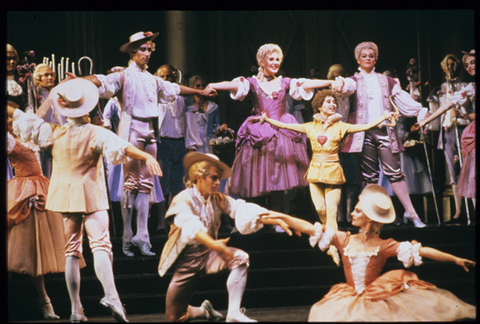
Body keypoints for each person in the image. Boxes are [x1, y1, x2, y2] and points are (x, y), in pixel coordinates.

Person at [8, 78, 164, 323]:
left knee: (72, 250)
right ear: (87, 108)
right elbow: (124, 147)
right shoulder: (94, 132)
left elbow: (17, 114)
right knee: (100, 245)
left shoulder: (53, 132)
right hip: (89, 194)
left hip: (65, 195)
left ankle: (76, 309)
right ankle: (111, 295)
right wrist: (146, 155)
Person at [69, 32, 216, 257]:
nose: (146, 54)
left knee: (146, 185)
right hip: (131, 129)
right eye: (142, 50)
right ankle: (127, 237)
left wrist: (199, 91)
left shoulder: (153, 79)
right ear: (132, 52)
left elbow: (175, 89)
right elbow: (100, 80)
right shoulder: (122, 76)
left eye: (149, 50)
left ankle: (143, 236)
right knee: (130, 184)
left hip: (149, 130)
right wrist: (78, 81)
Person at [261, 184, 476, 321]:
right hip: (348, 297)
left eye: (357, 211)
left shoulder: (384, 246)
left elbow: (423, 250)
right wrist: (279, 215)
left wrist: (454, 258)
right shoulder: (344, 238)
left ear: (369, 219)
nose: (352, 214)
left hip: (375, 299)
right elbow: (307, 226)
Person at [252, 89, 396, 265]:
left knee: (332, 212)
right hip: (315, 172)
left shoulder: (342, 126)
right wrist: (267, 119)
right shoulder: (310, 126)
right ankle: (329, 236)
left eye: (333, 102)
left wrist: (383, 117)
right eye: (328, 102)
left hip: (333, 171)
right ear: (319, 106)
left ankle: (334, 247)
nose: (332, 104)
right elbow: (286, 126)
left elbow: (364, 126)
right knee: (320, 210)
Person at [157, 152, 295, 322]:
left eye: (219, 179)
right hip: (187, 262)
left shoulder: (218, 199)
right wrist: (215, 245)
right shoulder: (183, 199)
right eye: (214, 178)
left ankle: (234, 313)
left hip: (209, 255)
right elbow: (190, 226)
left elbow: (240, 209)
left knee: (240, 258)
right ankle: (203, 311)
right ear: (199, 177)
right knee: (175, 317)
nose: (217, 183)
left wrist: (275, 220)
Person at [207, 43, 342, 215]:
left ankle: (277, 215)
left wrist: (331, 82)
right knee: (258, 176)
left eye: (278, 59)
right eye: (271, 59)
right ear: (262, 61)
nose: (275, 62)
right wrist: (213, 85)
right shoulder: (252, 82)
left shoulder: (284, 82)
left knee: (279, 175)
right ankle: (261, 217)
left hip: (282, 131)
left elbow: (308, 84)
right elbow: (234, 86)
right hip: (260, 131)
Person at [333, 41, 428, 227]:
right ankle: (369, 217)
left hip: (385, 131)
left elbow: (401, 98)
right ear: (358, 59)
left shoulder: (387, 80)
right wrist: (341, 83)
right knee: (369, 177)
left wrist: (419, 110)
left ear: (375, 58)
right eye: (364, 56)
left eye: (371, 56)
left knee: (395, 174)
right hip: (364, 134)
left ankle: (412, 214)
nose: (368, 59)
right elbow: (346, 89)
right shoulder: (353, 80)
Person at [7, 116, 74, 320]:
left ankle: (45, 301)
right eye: (7, 120)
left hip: (41, 190)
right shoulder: (9, 142)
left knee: (35, 251)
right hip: (22, 192)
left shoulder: (29, 139)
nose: (10, 122)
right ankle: (44, 302)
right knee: (13, 251)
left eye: (12, 119)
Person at [414, 49, 475, 213]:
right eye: (447, 65)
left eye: (453, 64)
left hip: (466, 128)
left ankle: (472, 209)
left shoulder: (466, 86)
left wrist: (464, 115)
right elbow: (439, 111)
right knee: (453, 168)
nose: (450, 67)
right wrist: (425, 121)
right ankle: (458, 210)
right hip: (450, 131)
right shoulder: (440, 90)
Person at [154, 64, 203, 235]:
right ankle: (160, 220)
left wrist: (191, 146)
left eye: (171, 77)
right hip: (162, 144)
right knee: (161, 184)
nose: (167, 80)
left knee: (177, 184)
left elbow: (189, 124)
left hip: (179, 143)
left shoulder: (183, 99)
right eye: (163, 77)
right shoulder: (155, 98)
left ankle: (174, 219)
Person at [327, 63, 357, 225]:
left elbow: (354, 113)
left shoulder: (350, 93)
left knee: (350, 178)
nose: (336, 80)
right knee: (334, 180)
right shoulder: (326, 96)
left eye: (339, 76)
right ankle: (337, 215)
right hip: (332, 139)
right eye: (332, 77)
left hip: (348, 136)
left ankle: (349, 214)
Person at [33, 63, 66, 179]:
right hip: (45, 144)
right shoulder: (34, 98)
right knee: (48, 177)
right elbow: (36, 118)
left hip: (62, 140)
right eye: (46, 75)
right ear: (38, 79)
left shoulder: (61, 95)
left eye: (51, 75)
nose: (50, 77)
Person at [186, 73, 228, 154]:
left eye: (203, 85)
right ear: (193, 87)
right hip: (193, 143)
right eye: (198, 85)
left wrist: (221, 128)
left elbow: (215, 126)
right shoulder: (188, 107)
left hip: (208, 143)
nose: (201, 88)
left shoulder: (213, 107)